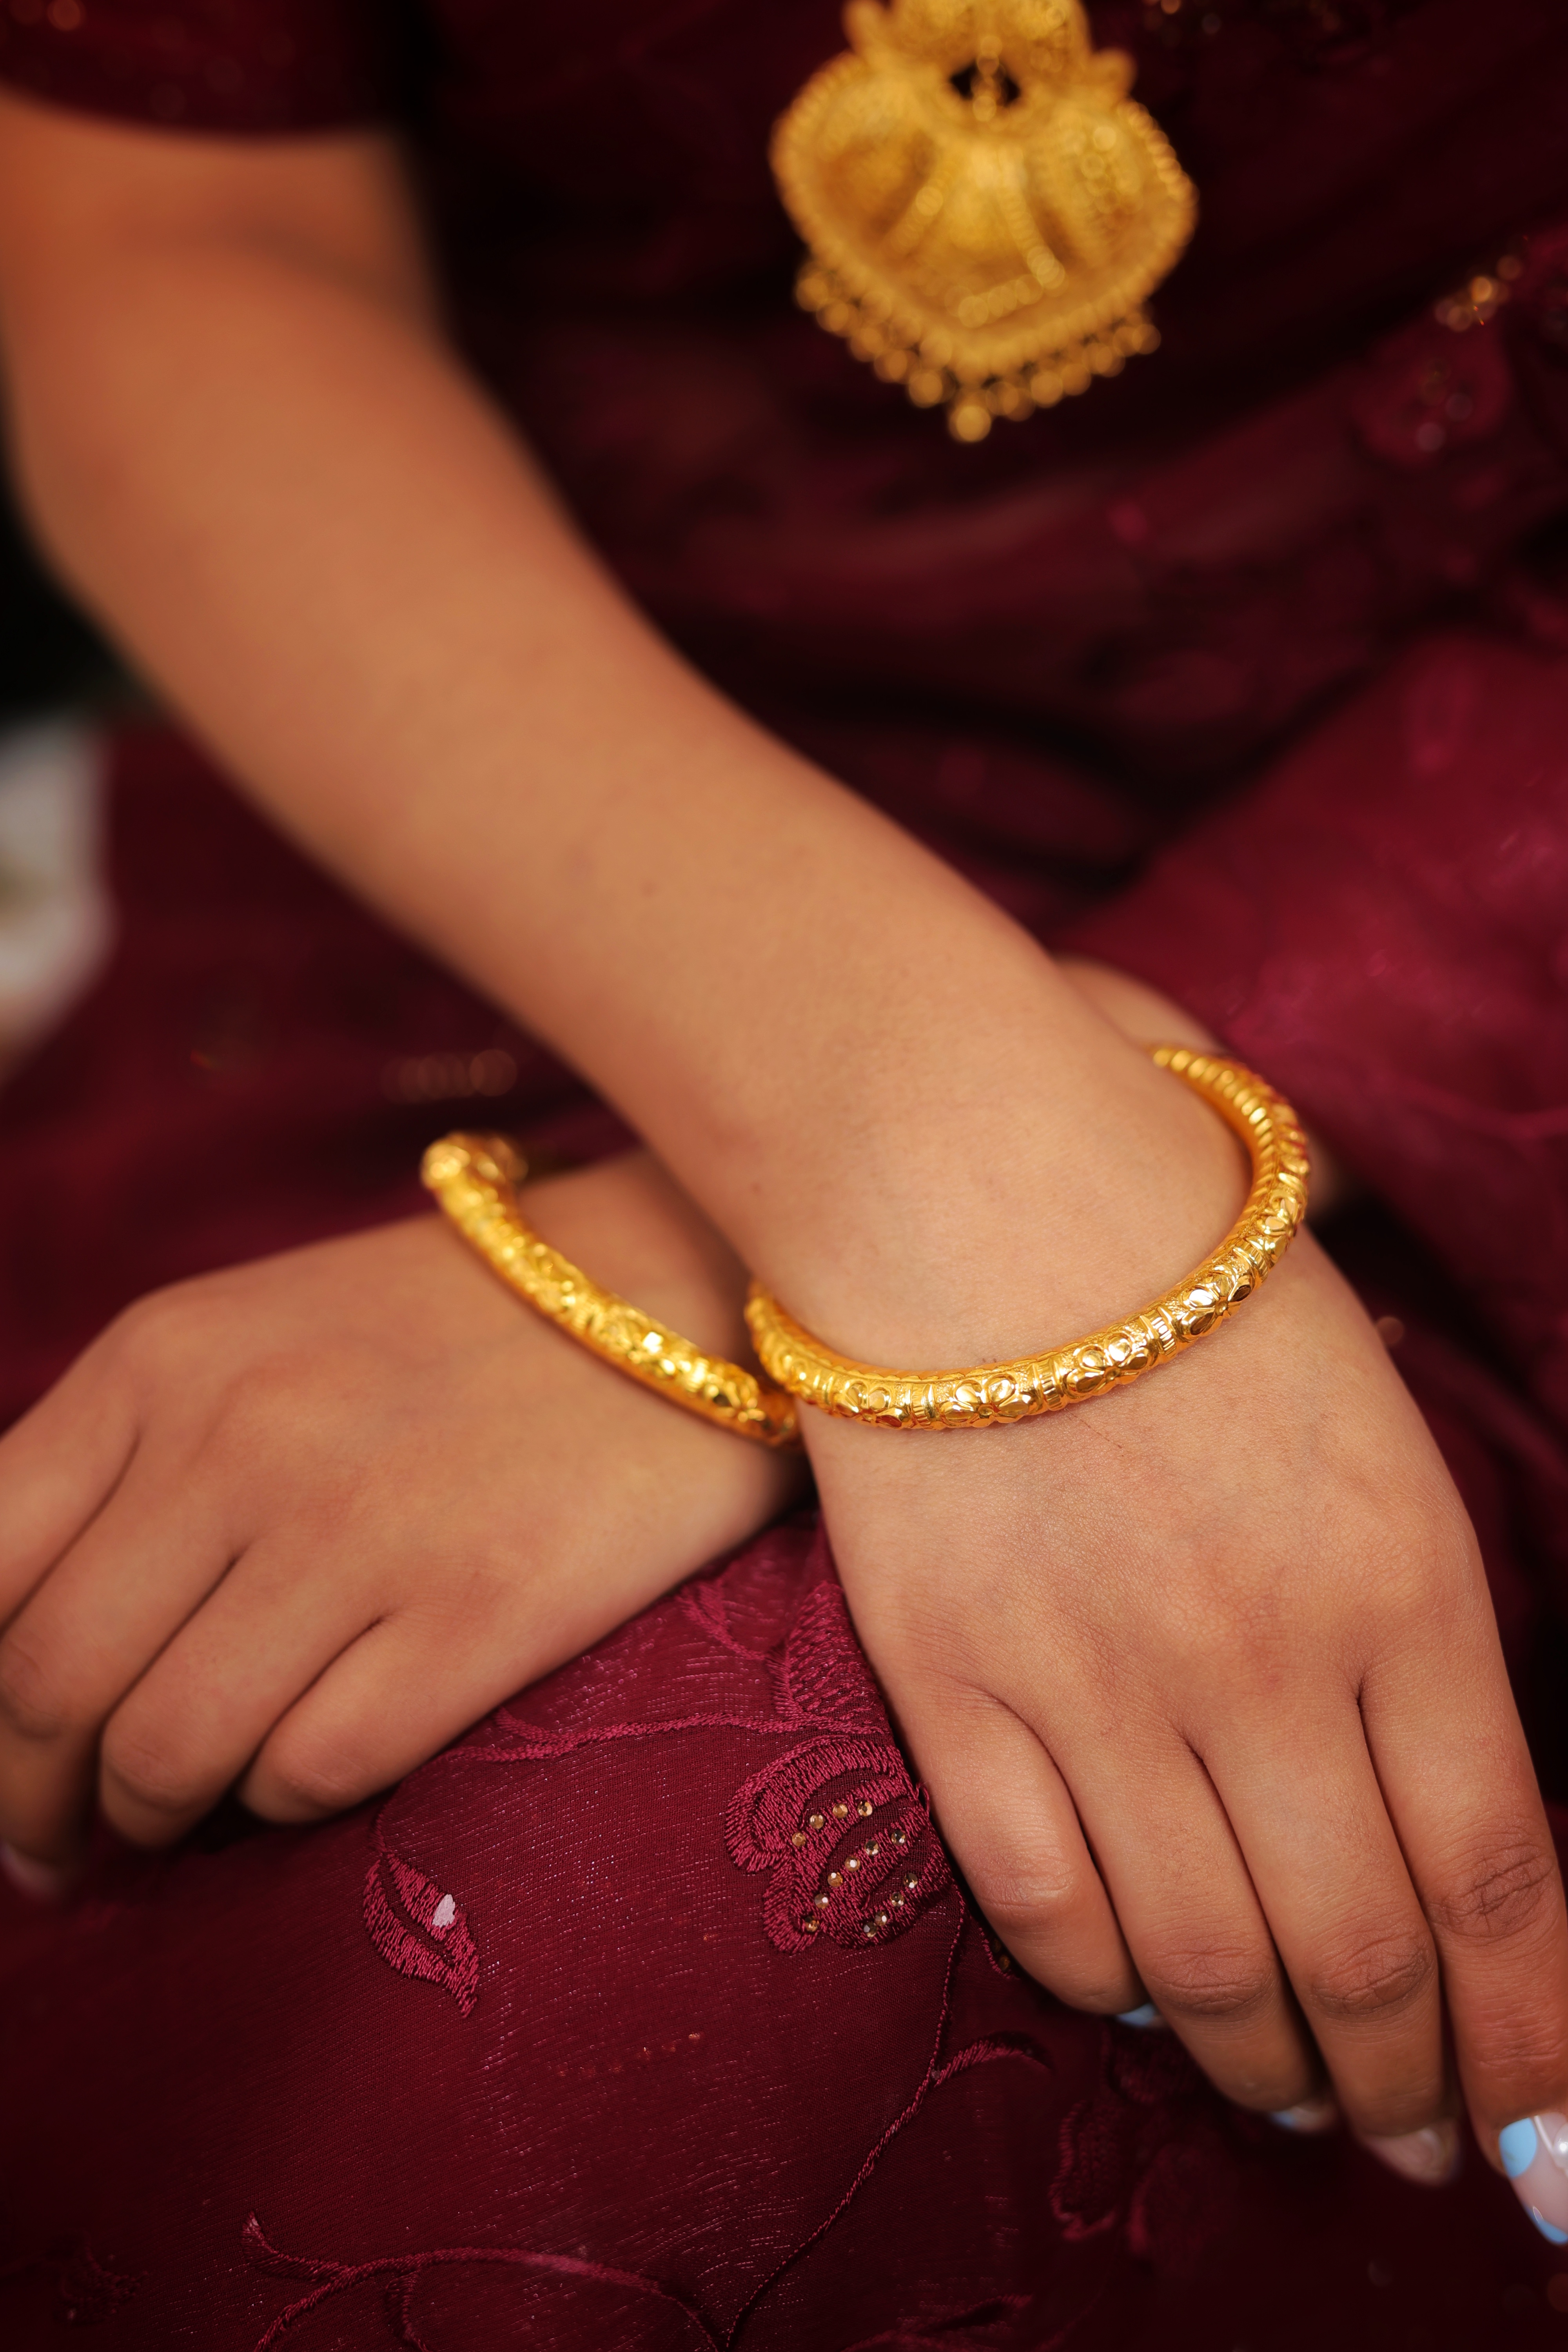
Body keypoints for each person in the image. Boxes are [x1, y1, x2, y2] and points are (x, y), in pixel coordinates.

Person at [2, 0, 1568, 2340]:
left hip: (1474, 918)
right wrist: (883, 1123)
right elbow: (179, 225)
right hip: (509, 794)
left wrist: (904, 1204)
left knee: (650, 1973)